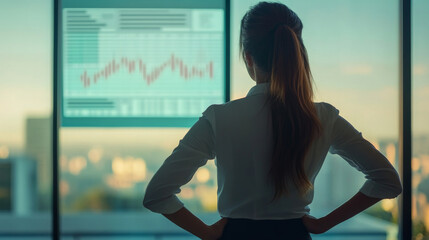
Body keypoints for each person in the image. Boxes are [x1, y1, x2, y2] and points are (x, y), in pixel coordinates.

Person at [143, 2, 403, 239]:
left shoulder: (218, 119)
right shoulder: (324, 117)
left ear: (248, 57)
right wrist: (324, 224)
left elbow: (157, 194)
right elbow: (387, 181)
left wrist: (208, 234)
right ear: (296, 52)